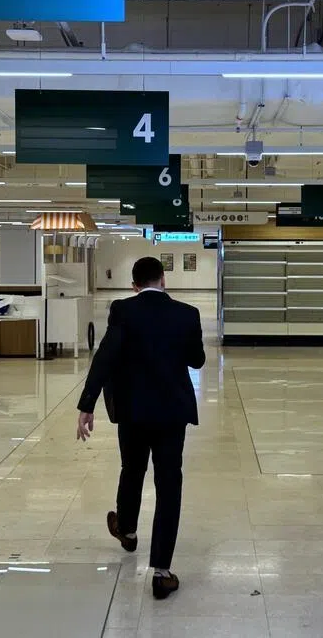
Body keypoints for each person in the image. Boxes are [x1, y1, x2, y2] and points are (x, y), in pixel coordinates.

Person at [76, 256, 206, 600]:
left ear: (134, 285)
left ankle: (128, 531)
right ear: (163, 279)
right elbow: (197, 360)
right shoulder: (187, 314)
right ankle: (162, 572)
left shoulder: (123, 311)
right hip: (171, 413)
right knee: (169, 484)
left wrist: (87, 404)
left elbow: (105, 357)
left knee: (132, 469)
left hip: (133, 411)